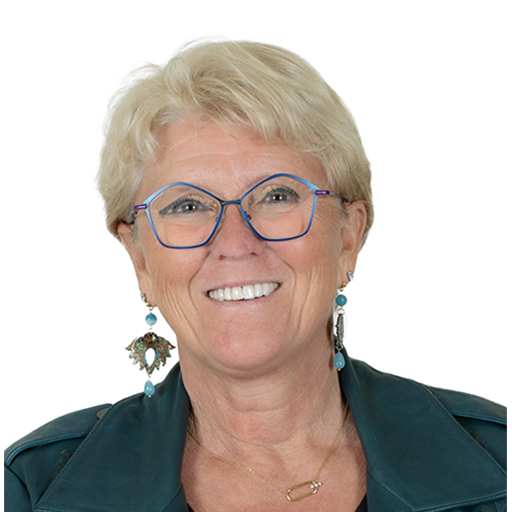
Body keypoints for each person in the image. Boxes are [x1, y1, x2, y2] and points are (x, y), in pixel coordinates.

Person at [4, 40, 506, 512]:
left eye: (277, 196)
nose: (236, 243)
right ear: (139, 258)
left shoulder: (499, 459)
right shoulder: (33, 486)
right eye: (187, 205)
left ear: (348, 238)